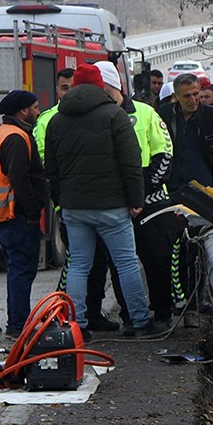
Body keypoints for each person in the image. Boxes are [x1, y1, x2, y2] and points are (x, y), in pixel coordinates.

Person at [44, 63, 159, 337]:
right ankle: (140, 321)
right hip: (112, 206)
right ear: (100, 85)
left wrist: (62, 203)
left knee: (79, 265)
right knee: (127, 263)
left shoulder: (56, 121)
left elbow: (52, 169)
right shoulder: (114, 115)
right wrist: (136, 199)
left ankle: (76, 324)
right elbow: (131, 163)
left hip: (74, 208)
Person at [82, 61, 185, 331]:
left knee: (157, 260)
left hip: (150, 203)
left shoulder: (146, 113)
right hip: (114, 204)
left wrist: (140, 195)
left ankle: (161, 313)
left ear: (112, 86)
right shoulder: (93, 117)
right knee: (119, 265)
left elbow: (164, 154)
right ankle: (130, 317)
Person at [0, 90, 45, 339]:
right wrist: (33, 213)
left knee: (16, 270)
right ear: (23, 111)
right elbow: (20, 179)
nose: (38, 111)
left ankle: (17, 323)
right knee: (22, 271)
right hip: (15, 216)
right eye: (35, 107)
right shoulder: (17, 138)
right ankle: (19, 325)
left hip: (0, 215)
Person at [160, 72, 213, 192]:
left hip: (207, 193)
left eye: (195, 94)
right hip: (173, 192)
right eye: (186, 96)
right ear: (176, 96)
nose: (193, 100)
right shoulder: (164, 114)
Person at [32, 68, 75, 160]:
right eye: (65, 88)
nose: (70, 93)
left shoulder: (90, 113)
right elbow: (41, 153)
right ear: (57, 90)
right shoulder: (45, 119)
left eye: (73, 88)